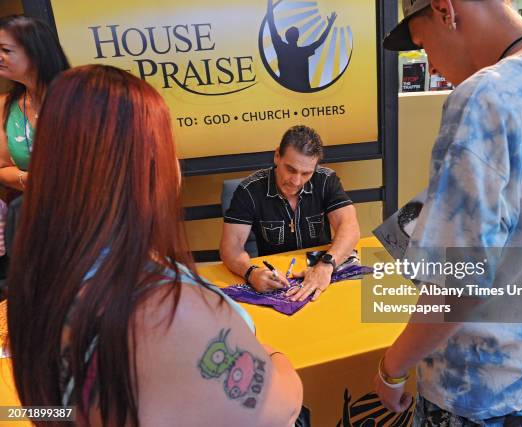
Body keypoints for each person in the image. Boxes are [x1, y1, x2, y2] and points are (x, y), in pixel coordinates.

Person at [8, 65, 303, 426]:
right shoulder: (163, 306)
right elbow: (278, 409)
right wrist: (270, 354)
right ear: (145, 166)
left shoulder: (43, 274)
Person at [375, 0, 522, 425]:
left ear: (446, 10)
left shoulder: (484, 98)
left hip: (477, 383)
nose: (433, 65)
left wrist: (392, 369)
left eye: (424, 45)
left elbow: (458, 286)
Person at [220, 125, 360, 301]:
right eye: (291, 169)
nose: (296, 181)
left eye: (306, 173)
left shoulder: (326, 180)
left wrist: (325, 266)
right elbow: (230, 246)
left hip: (321, 272)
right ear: (277, 155)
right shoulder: (249, 190)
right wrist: (250, 273)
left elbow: (350, 227)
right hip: (277, 279)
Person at [0, 15, 69, 191]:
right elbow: (3, 167)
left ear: (37, 51)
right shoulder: (5, 105)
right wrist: (31, 180)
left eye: (6, 50)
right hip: (38, 208)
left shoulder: (82, 98)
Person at [266, 0, 337, 91]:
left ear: (286, 37)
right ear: (298, 37)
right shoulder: (303, 52)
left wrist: (269, 3)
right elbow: (320, 41)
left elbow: (270, 22)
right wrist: (329, 25)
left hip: (286, 90)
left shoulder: (281, 47)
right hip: (303, 91)